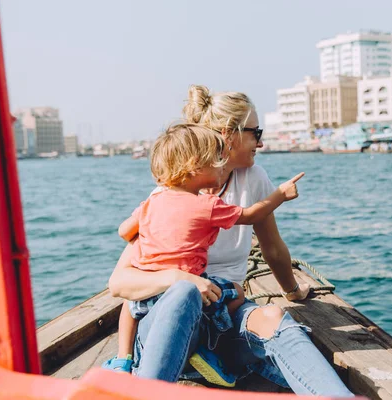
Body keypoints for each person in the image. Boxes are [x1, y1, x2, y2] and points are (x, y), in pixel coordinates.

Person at [108, 85, 354, 398]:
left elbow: (272, 247)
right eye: (256, 132)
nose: (261, 142)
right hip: (172, 327)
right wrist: (182, 278)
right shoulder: (167, 199)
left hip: (221, 317)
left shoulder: (253, 179)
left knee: (273, 317)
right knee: (184, 292)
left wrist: (292, 291)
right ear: (229, 134)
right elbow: (119, 282)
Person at [103, 123, 304, 388]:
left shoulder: (151, 204)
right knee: (236, 292)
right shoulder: (207, 206)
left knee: (129, 306)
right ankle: (211, 347)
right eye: (218, 161)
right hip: (190, 292)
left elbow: (124, 231)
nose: (224, 166)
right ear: (195, 166)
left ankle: (122, 360)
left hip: (147, 294)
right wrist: (280, 195)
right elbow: (253, 214)